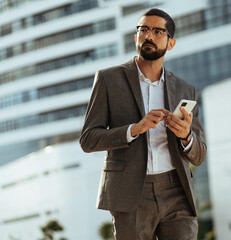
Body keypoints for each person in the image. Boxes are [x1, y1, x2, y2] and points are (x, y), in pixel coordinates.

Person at [80, 8, 207, 240]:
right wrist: (134, 129)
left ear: (170, 43)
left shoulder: (184, 89)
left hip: (176, 188)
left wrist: (186, 136)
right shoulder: (108, 79)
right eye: (143, 30)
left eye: (158, 31)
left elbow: (199, 155)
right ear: (135, 37)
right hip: (131, 192)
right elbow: (88, 140)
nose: (149, 36)